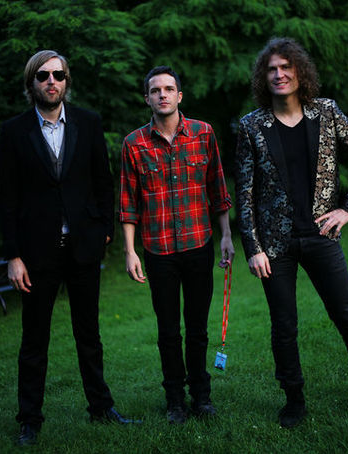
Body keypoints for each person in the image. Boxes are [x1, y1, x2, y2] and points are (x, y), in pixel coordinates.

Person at [234, 37, 348, 428]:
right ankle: (294, 401)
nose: (279, 74)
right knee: (284, 327)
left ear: (299, 71)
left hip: (322, 235)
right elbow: (245, 193)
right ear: (263, 77)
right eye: (272, 69)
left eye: (286, 66)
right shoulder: (252, 126)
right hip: (275, 245)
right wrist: (253, 248)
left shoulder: (327, 112)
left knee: (347, 316)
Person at [0, 50, 138, 446]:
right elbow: (7, 198)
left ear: (67, 81)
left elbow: (103, 181)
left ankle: (101, 408)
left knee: (89, 335)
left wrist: (104, 229)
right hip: (36, 253)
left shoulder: (88, 122)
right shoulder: (14, 131)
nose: (51, 81)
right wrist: (13, 256)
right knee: (34, 340)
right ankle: (29, 420)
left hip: (82, 248)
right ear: (32, 83)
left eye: (58, 75)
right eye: (43, 75)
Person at [119, 66, 235, 424]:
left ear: (179, 95)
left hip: (199, 244)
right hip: (158, 251)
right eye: (156, 90)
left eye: (169, 89)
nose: (163, 95)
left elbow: (217, 189)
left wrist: (226, 235)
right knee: (168, 331)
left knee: (197, 329)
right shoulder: (134, 144)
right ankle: (174, 401)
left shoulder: (203, 133)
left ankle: (201, 396)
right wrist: (130, 251)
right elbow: (128, 202)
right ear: (147, 99)